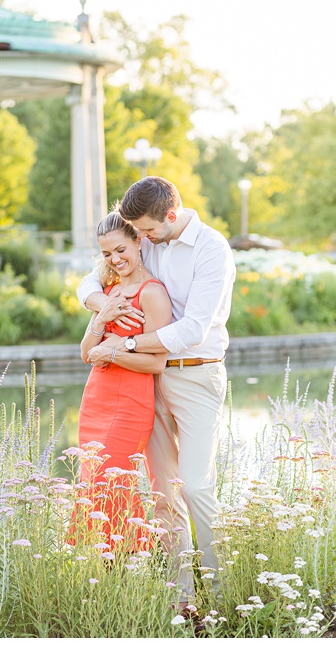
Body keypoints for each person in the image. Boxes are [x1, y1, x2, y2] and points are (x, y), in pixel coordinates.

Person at [76, 176, 236, 605]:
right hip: (149, 381)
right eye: (138, 233)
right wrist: (104, 307)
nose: (141, 240)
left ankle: (222, 598)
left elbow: (193, 329)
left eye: (146, 231)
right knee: (163, 493)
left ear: (170, 214)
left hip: (197, 374)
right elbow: (90, 283)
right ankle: (181, 598)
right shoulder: (145, 238)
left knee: (197, 486)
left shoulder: (211, 248)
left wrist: (122, 343)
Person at [73, 211, 170, 548]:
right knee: (92, 483)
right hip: (96, 400)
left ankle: (133, 561)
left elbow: (157, 362)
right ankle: (98, 567)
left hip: (129, 403)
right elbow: (86, 352)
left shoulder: (152, 293)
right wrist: (102, 318)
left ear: (138, 242)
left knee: (111, 482)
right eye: (106, 254)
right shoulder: (109, 291)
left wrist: (113, 353)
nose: (115, 259)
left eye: (120, 250)